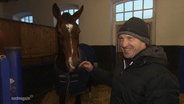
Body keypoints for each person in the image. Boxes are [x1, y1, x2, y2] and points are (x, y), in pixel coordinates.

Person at [79, 17, 179, 104]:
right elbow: (113, 80)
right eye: (121, 38)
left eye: (130, 38)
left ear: (144, 41)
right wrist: (92, 69)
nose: (123, 44)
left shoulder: (162, 78)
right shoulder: (125, 63)